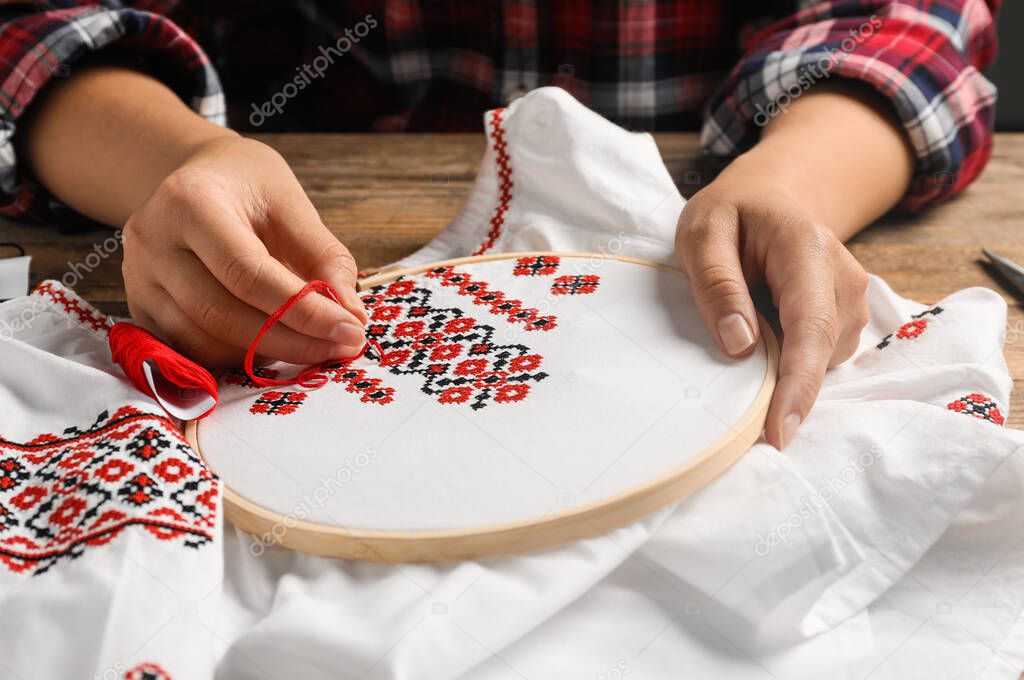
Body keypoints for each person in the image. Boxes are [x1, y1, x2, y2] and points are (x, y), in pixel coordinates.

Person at [0, 1, 999, 449]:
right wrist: (177, 167)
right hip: (273, 246)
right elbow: (38, 24)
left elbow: (908, 24)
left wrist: (793, 180)